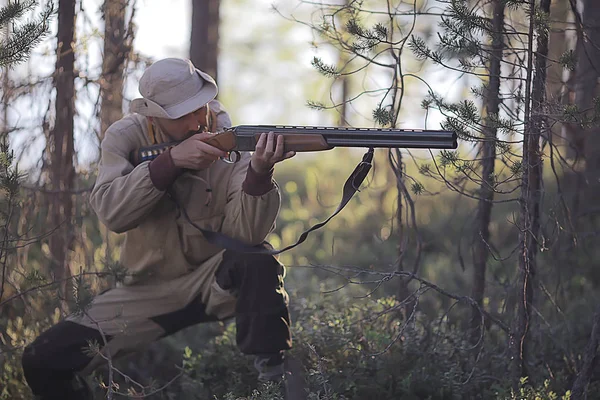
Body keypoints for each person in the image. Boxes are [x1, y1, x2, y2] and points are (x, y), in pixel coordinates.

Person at [21, 57, 296, 399]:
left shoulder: (231, 139)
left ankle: (275, 384)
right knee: (41, 361)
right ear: (154, 115)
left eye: (201, 107)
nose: (199, 119)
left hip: (213, 280)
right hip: (145, 290)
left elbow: (249, 237)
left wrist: (259, 172)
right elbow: (112, 214)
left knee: (259, 259)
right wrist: (169, 163)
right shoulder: (125, 137)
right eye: (185, 113)